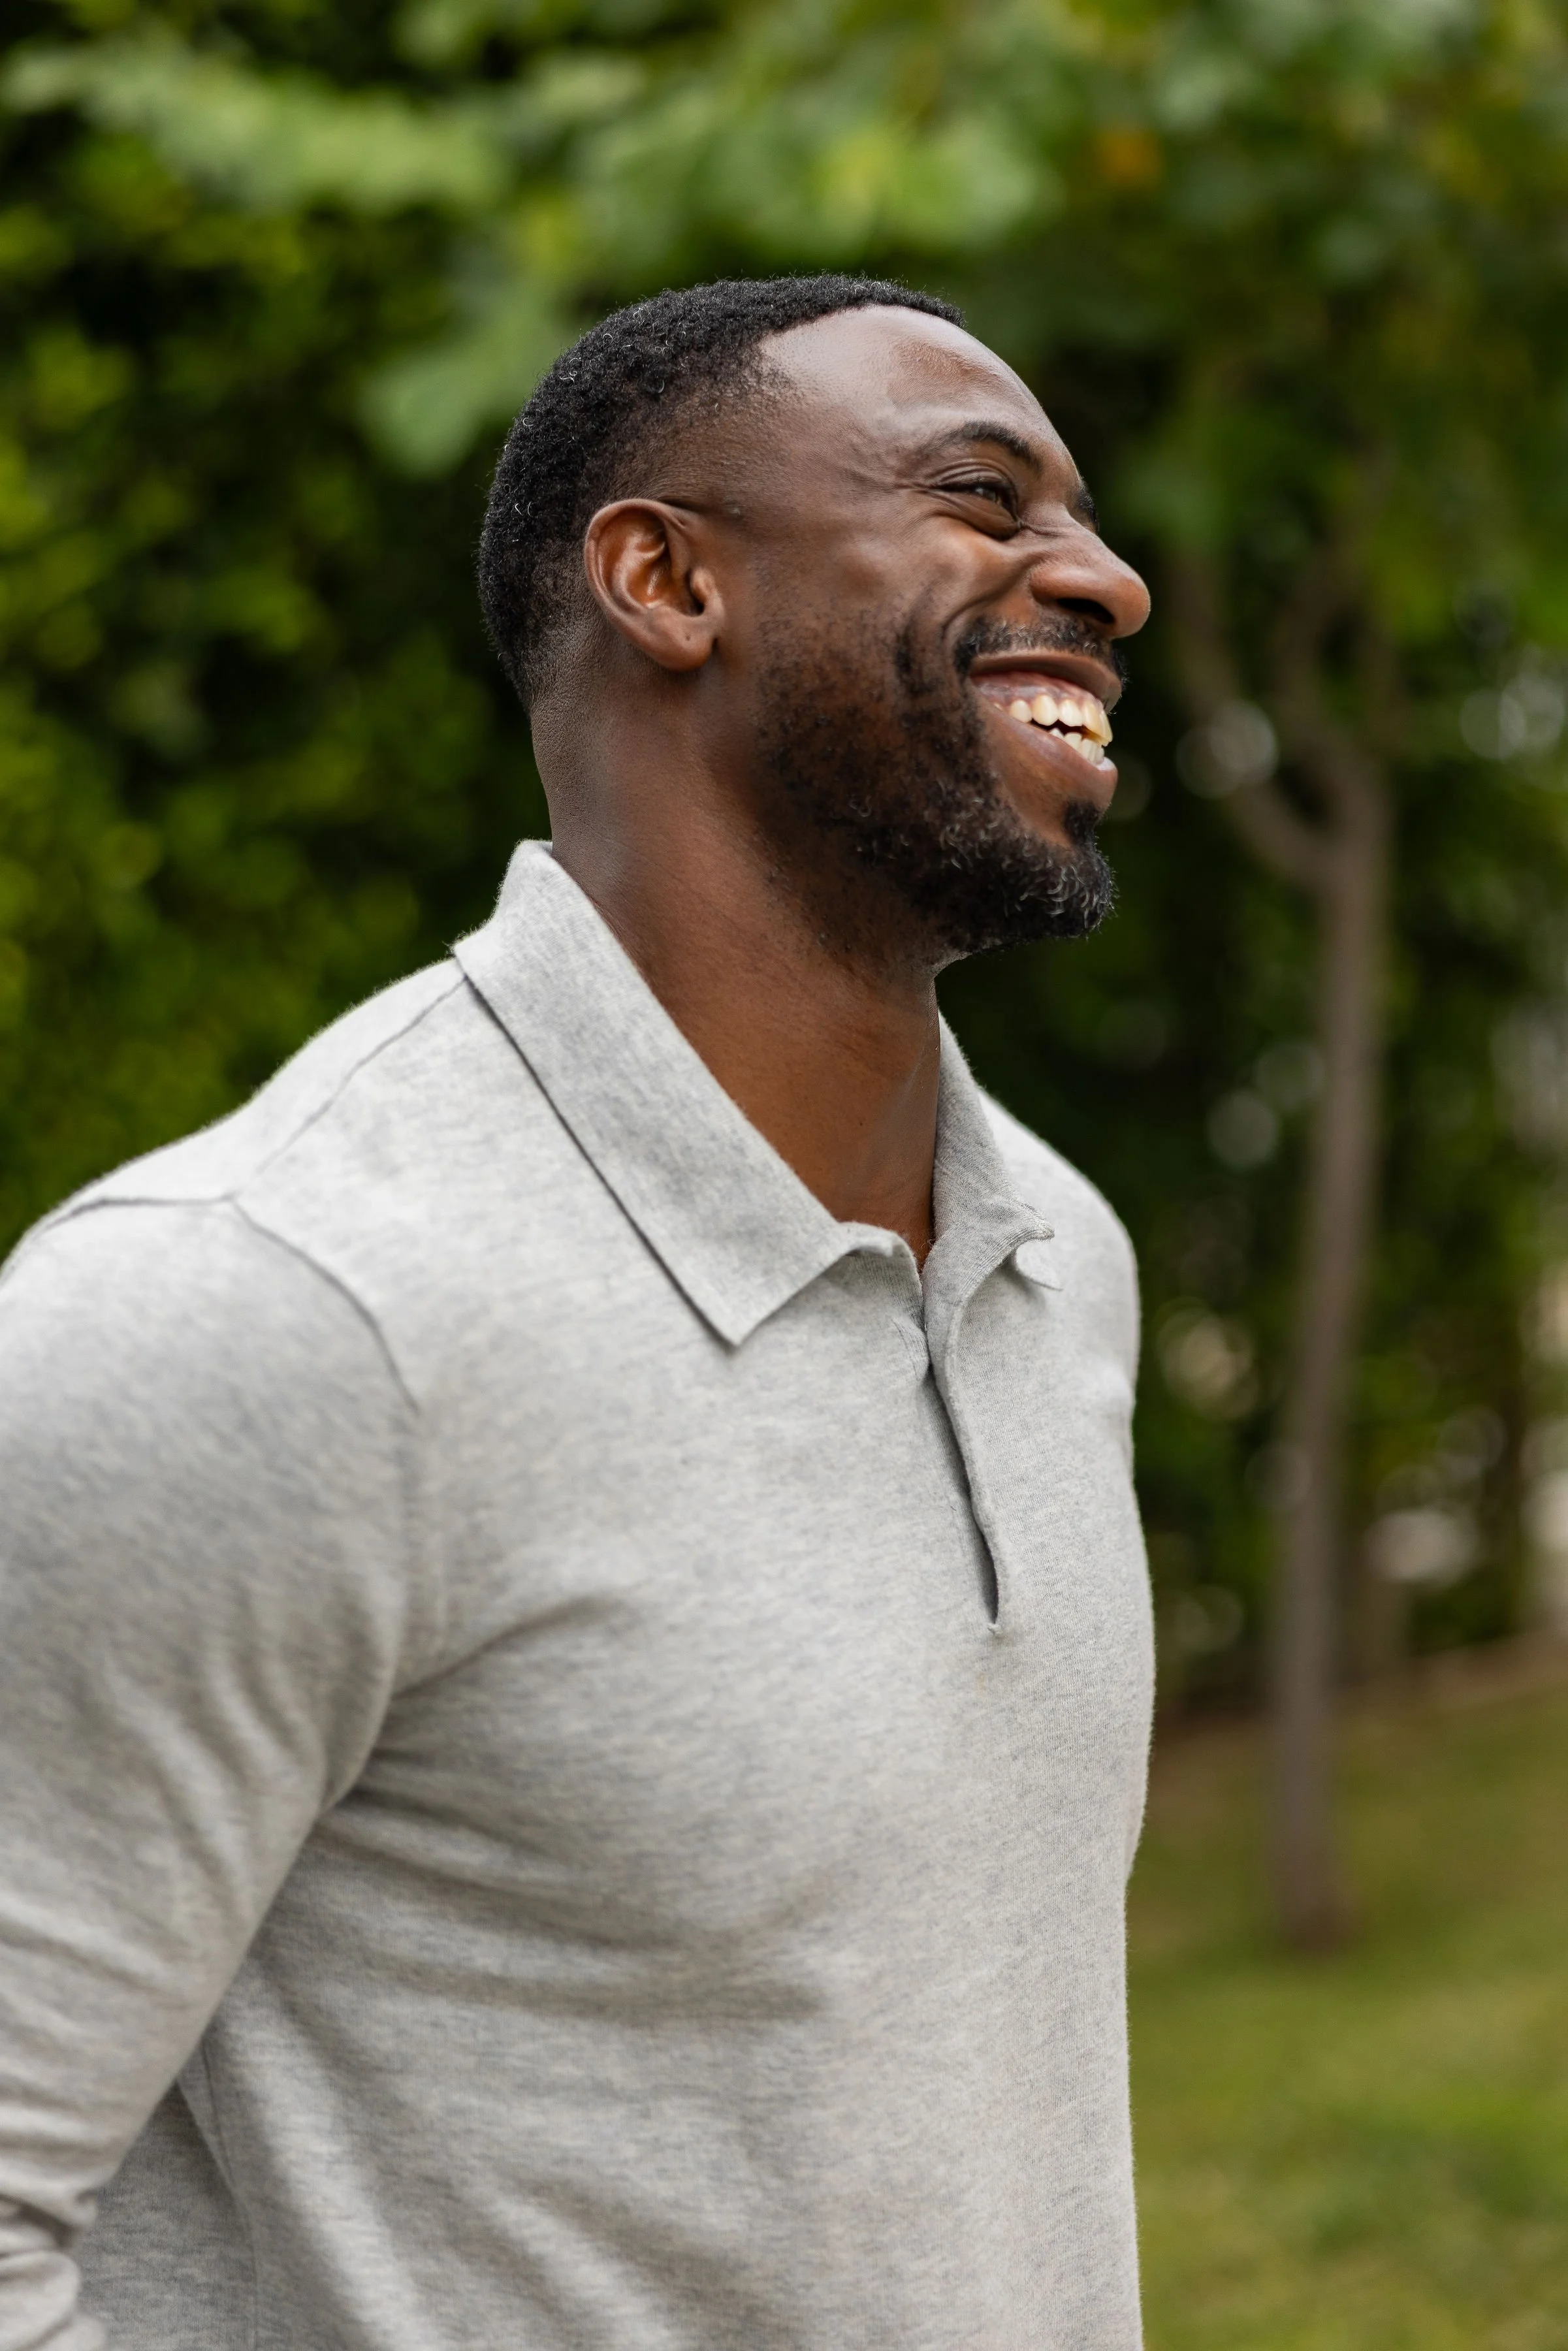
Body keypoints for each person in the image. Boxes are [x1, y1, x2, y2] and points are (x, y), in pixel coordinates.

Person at [0, 274, 1154, 2351]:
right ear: (664, 581)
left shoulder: (1058, 1261)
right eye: (981, 499)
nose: (1109, 581)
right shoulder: (263, 1313)